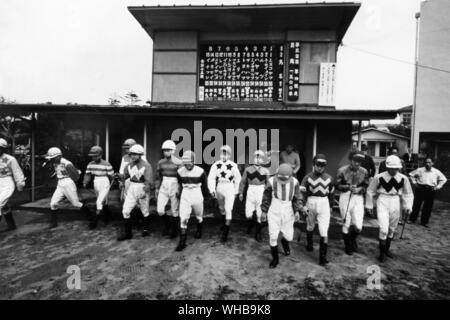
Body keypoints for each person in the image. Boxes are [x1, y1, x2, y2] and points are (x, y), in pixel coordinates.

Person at [366, 155, 414, 262]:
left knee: (392, 228)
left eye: (396, 168)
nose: (393, 170)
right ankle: (381, 253)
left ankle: (387, 249)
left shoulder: (403, 178)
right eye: (391, 168)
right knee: (384, 228)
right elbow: (370, 191)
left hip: (395, 201)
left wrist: (408, 207)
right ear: (387, 167)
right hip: (383, 200)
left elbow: (408, 194)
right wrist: (369, 205)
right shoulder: (379, 177)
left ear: (399, 168)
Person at [261, 163, 302, 268]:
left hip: (288, 209)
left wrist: (297, 211)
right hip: (274, 207)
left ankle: (284, 242)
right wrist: (264, 211)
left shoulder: (295, 182)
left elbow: (297, 197)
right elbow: (266, 196)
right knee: (273, 236)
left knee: (289, 236)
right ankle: (275, 259)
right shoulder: (271, 181)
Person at [300, 154, 334, 266]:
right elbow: (302, 193)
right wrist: (303, 205)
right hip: (311, 201)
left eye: (322, 165)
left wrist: (331, 206)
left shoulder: (329, 178)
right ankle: (309, 243)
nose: (320, 167)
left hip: (324, 202)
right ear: (314, 165)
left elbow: (332, 194)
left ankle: (322, 257)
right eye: (318, 165)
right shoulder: (307, 177)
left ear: (325, 166)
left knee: (324, 230)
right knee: (310, 225)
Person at [45, 147, 92, 228]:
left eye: (53, 158)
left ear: (59, 156)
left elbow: (76, 176)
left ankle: (92, 218)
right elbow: (57, 172)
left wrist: (75, 184)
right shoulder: (55, 162)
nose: (51, 160)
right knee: (53, 203)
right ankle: (54, 223)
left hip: (68, 182)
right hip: (60, 183)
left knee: (76, 204)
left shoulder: (67, 163)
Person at [117, 144, 154, 241]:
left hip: (142, 188)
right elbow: (125, 176)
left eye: (135, 154)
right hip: (132, 187)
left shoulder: (146, 165)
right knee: (125, 211)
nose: (133, 156)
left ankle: (146, 229)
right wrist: (119, 177)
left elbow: (148, 180)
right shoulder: (129, 165)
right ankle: (128, 233)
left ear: (140, 154)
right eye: (131, 154)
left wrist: (146, 189)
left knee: (144, 210)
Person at [336, 151, 369, 255]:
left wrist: (360, 189)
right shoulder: (342, 170)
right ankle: (348, 245)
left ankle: (351, 239)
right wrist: (347, 187)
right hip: (345, 196)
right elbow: (337, 185)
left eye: (360, 161)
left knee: (358, 225)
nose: (357, 163)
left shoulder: (364, 171)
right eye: (355, 161)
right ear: (351, 160)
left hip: (358, 198)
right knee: (346, 222)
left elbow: (366, 185)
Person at [175, 151, 210, 251]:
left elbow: (205, 185)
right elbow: (179, 183)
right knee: (183, 216)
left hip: (196, 193)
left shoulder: (200, 171)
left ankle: (199, 230)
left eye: (190, 162)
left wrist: (207, 195)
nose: (187, 164)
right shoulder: (180, 171)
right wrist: (178, 191)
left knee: (199, 215)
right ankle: (182, 241)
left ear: (194, 161)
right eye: (185, 162)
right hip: (186, 193)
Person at [208, 145, 241, 243]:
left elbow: (238, 178)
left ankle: (225, 233)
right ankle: (224, 223)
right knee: (221, 208)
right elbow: (211, 178)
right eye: (222, 153)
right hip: (220, 187)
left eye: (226, 153)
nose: (224, 155)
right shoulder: (215, 165)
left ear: (230, 155)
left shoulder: (234, 165)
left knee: (228, 209)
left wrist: (236, 191)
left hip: (229, 187)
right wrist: (212, 190)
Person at [238, 150, 270, 242]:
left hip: (261, 191)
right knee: (248, 214)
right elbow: (243, 182)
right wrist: (241, 192)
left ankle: (258, 232)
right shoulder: (247, 169)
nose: (257, 159)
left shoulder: (265, 171)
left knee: (260, 214)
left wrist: (267, 195)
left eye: (260, 158)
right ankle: (250, 224)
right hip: (251, 190)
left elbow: (268, 184)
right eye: (256, 157)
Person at [409, 158, 447, 227]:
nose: (427, 164)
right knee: (416, 205)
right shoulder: (420, 170)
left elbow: (444, 179)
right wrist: (414, 182)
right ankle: (412, 219)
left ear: (432, 163)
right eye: (426, 162)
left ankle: (424, 222)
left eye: (429, 162)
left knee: (428, 207)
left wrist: (438, 187)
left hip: (430, 190)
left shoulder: (436, 171)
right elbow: (411, 175)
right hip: (420, 188)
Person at [155, 140, 182, 238]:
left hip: (175, 184)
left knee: (174, 209)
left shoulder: (179, 162)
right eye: (164, 150)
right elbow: (158, 176)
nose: (166, 152)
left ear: (173, 150)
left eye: (168, 150)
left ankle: (174, 230)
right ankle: (167, 225)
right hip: (164, 184)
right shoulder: (160, 162)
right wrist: (157, 188)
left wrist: (179, 188)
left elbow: (181, 177)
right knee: (160, 210)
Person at [82, 146, 114, 229]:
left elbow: (111, 176)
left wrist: (113, 184)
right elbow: (88, 174)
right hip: (96, 181)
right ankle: (107, 217)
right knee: (103, 201)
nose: (94, 157)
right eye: (92, 156)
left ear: (100, 155)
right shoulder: (90, 164)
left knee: (99, 202)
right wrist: (85, 182)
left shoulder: (107, 164)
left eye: (96, 155)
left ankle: (94, 221)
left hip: (104, 181)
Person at [0, 138, 25, 231]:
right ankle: (12, 225)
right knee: (4, 204)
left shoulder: (10, 159)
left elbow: (17, 172)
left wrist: (20, 184)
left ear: (3, 149)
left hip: (7, 182)